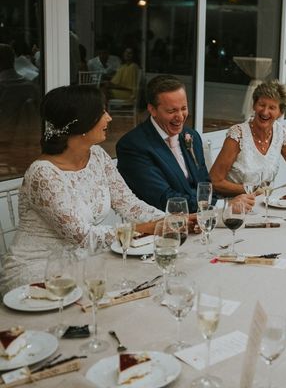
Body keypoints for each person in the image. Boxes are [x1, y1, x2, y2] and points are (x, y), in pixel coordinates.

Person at [0, 85, 164, 295]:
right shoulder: (43, 174)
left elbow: (129, 204)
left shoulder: (96, 155)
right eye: (102, 112)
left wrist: (171, 220)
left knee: (144, 284)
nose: (109, 118)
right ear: (83, 122)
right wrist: (152, 227)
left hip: (82, 261)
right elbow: (84, 238)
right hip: (36, 270)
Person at [117, 75, 254, 212]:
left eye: (184, 108)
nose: (180, 116)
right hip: (161, 226)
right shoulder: (133, 146)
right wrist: (222, 206)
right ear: (152, 110)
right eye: (172, 111)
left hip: (201, 219)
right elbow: (164, 198)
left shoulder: (191, 136)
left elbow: (204, 185)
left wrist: (210, 213)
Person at [210, 80, 286, 196]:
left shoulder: (280, 133)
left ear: (280, 113)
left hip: (265, 203)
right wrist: (249, 190)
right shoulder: (238, 135)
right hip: (235, 204)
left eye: (272, 107)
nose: (265, 112)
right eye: (262, 105)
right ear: (254, 105)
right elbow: (215, 181)